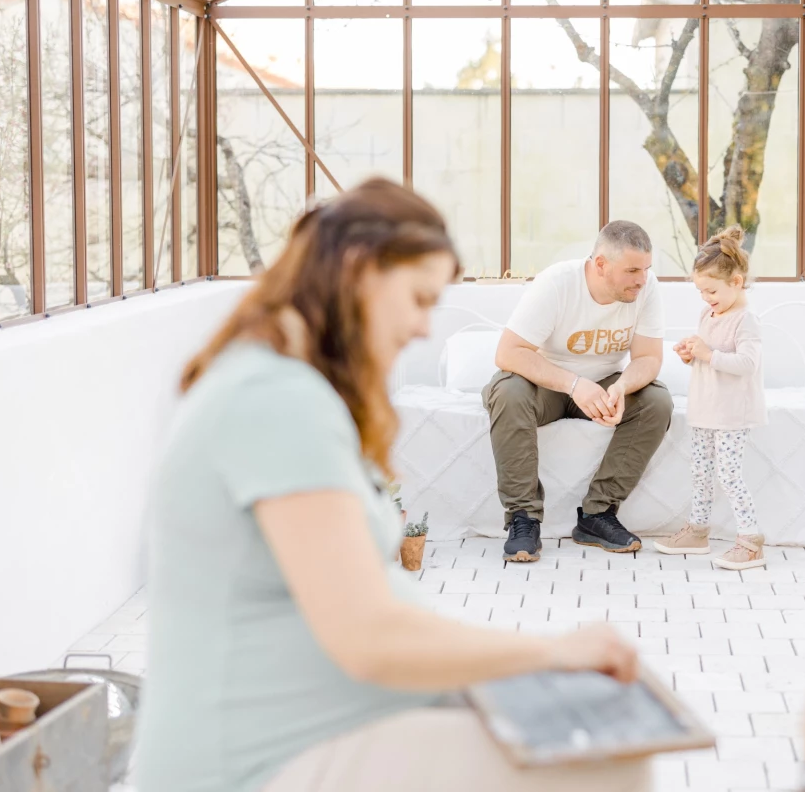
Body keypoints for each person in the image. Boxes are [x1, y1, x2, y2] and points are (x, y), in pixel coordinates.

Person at [133, 178, 651, 792]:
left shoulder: (287, 383)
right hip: (259, 762)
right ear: (358, 271)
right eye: (418, 298)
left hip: (331, 724)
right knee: (605, 762)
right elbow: (369, 637)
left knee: (592, 737)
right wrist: (552, 655)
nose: (424, 327)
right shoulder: (273, 399)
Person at [484, 221, 674, 562]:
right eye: (632, 270)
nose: (642, 279)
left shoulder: (646, 288)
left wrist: (621, 387)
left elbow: (648, 358)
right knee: (507, 392)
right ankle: (523, 518)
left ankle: (597, 515)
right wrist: (574, 384)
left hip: (603, 384)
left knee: (657, 401)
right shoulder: (557, 284)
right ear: (600, 264)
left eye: (646, 269)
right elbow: (508, 353)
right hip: (546, 386)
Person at [652, 226, 768, 571]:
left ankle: (751, 541)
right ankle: (698, 531)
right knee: (701, 473)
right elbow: (709, 355)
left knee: (729, 475)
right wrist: (692, 354)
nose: (705, 298)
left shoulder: (745, 320)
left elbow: (747, 365)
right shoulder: (709, 314)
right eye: (701, 291)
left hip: (731, 413)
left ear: (737, 281)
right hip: (705, 408)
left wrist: (707, 353)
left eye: (711, 290)